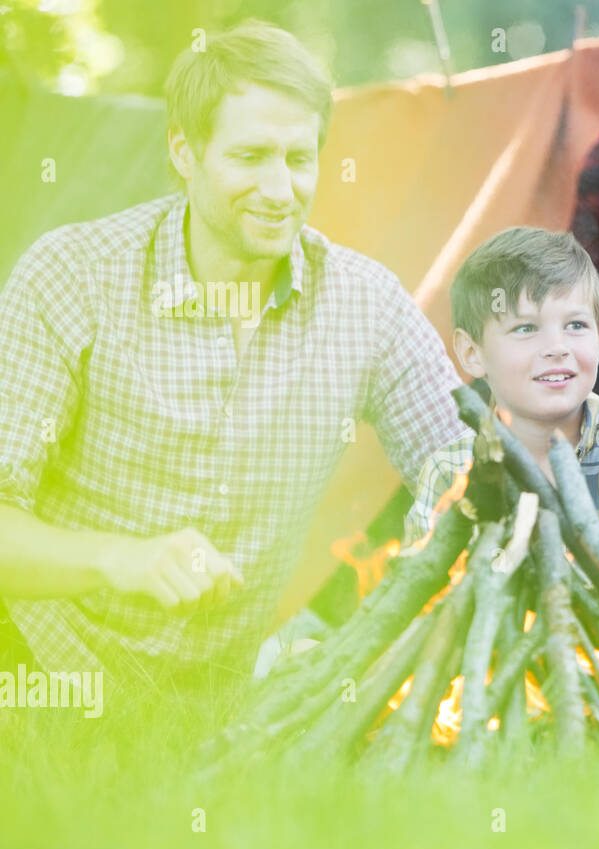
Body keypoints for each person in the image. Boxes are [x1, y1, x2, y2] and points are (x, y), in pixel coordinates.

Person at [0, 22, 468, 692]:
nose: (281, 191)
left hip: (231, 692)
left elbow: (461, 471)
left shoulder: (367, 305)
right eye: (250, 157)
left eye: (299, 159)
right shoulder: (70, 276)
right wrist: (120, 560)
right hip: (41, 672)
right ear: (184, 152)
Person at [402, 226, 599, 635]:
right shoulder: (449, 469)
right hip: (484, 678)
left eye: (575, 325)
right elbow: (422, 608)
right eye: (525, 328)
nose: (557, 347)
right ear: (472, 353)